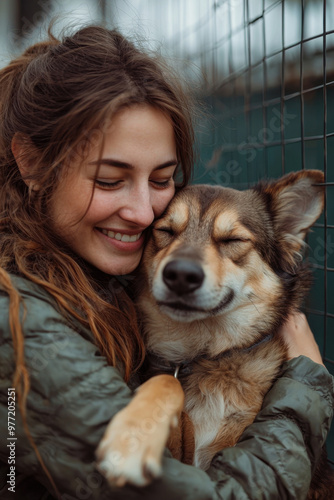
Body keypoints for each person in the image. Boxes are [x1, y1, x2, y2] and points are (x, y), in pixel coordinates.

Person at [0, 24, 333, 500]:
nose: (142, 214)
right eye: (111, 179)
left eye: (161, 179)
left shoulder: (96, 282)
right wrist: (306, 386)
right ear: (32, 164)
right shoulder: (20, 311)